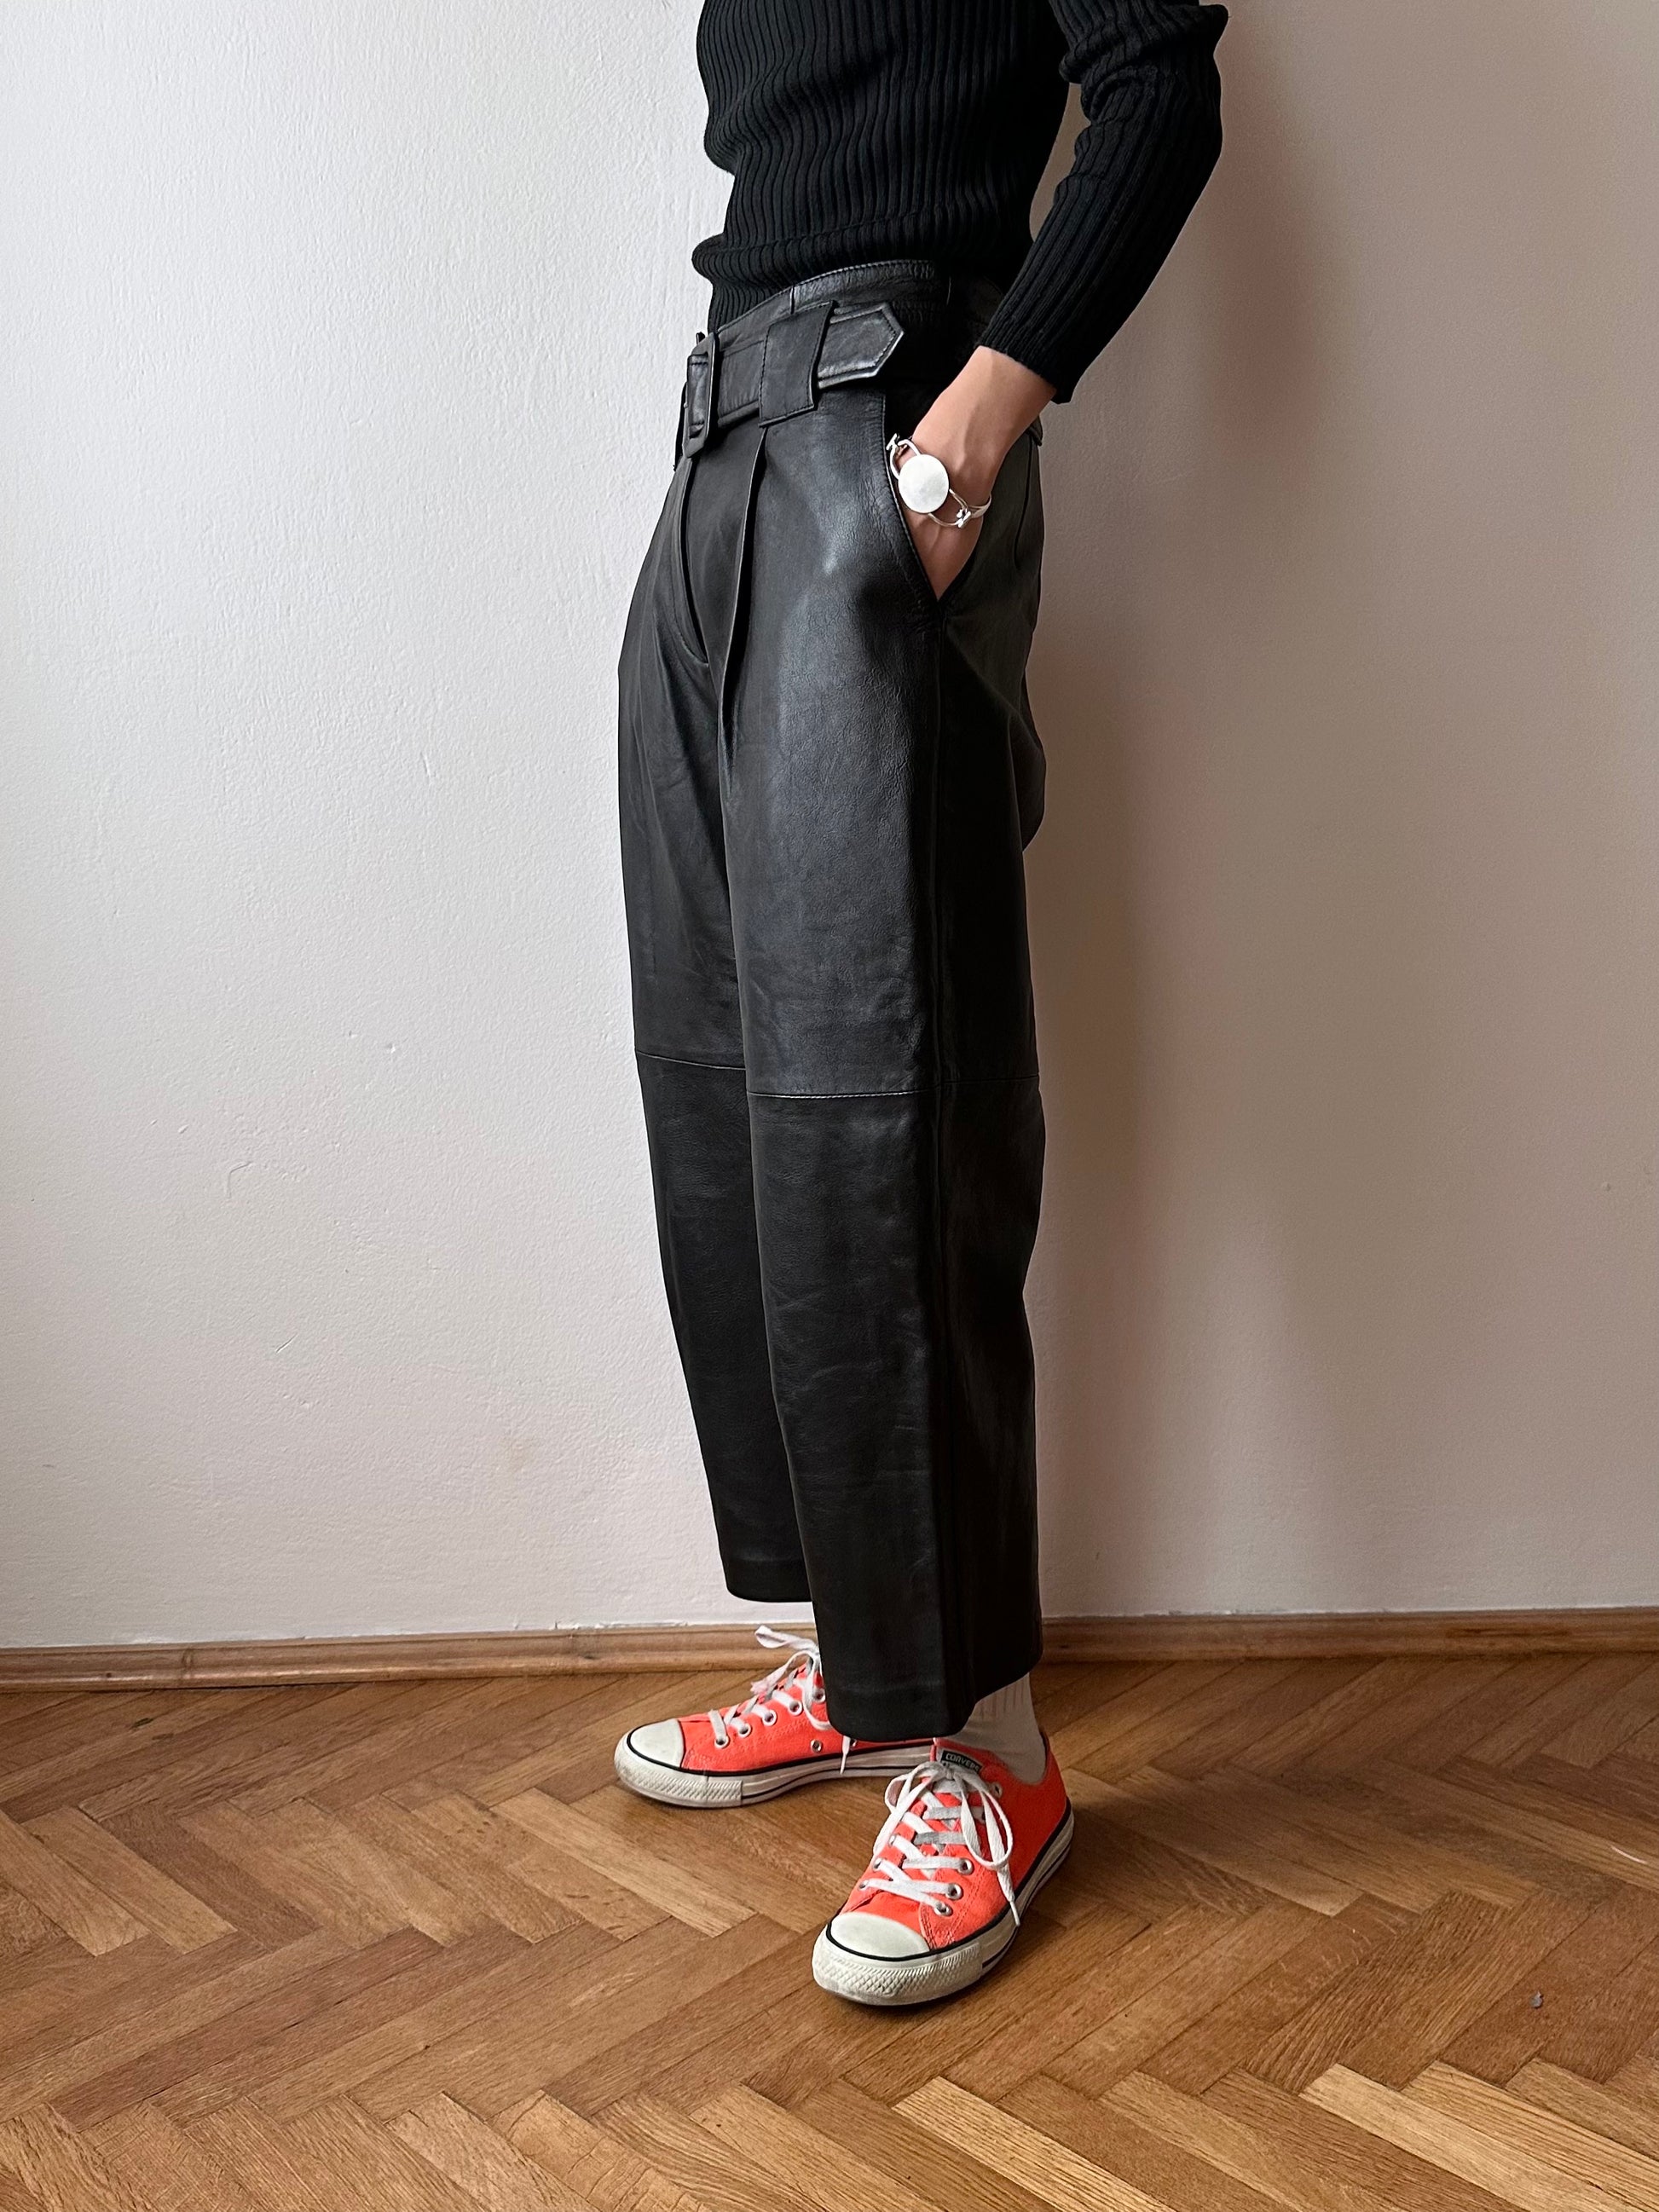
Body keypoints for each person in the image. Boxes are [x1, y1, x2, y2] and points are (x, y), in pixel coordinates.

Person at [612, 0, 1226, 2007]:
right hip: (719, 450)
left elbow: (1159, 95)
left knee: (888, 1111)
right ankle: (849, 1662)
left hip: (885, 433)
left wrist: (965, 439)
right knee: (724, 1095)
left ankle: (990, 1751)